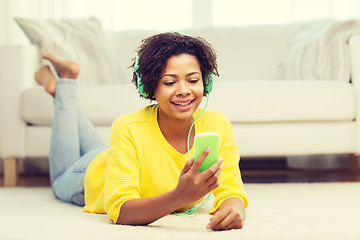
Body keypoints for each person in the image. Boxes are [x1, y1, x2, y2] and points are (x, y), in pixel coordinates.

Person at [35, 32, 248, 231]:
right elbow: (119, 211)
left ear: (206, 83)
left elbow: (231, 190)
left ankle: (60, 88)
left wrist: (235, 208)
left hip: (121, 156)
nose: (184, 90)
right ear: (150, 88)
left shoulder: (218, 124)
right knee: (58, 179)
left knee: (110, 147)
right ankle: (65, 83)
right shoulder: (127, 126)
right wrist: (179, 196)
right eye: (170, 82)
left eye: (193, 80)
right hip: (90, 174)